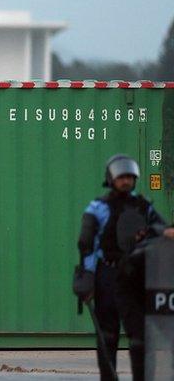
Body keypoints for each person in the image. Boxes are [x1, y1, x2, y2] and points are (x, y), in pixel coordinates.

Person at [75, 155, 170, 381]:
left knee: (141, 336)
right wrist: (87, 276)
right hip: (107, 276)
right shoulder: (98, 207)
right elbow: (86, 244)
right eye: (121, 177)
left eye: (129, 177)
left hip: (135, 277)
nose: (126, 181)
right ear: (111, 178)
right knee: (108, 336)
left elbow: (162, 228)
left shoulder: (143, 205)